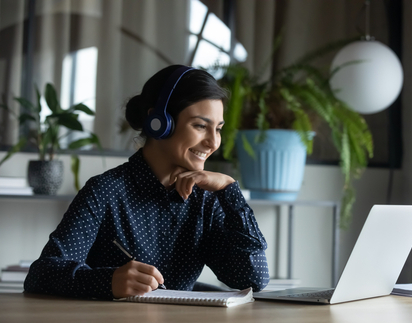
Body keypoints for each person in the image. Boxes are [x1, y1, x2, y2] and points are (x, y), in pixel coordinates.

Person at [24, 65, 269, 300]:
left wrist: (229, 189)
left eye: (218, 129)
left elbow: (253, 278)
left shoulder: (207, 199)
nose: (213, 142)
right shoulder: (105, 191)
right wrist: (108, 281)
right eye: (200, 126)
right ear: (159, 122)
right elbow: (41, 275)